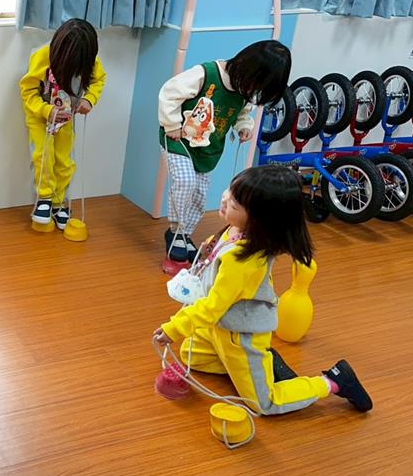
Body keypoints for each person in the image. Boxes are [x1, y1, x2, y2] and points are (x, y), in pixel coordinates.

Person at [153, 166, 372, 415]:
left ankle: (333, 382)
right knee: (193, 356)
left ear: (259, 221)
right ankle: (258, 365)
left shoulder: (243, 261)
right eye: (229, 192)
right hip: (218, 327)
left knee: (265, 403)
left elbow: (213, 307)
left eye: (234, 204)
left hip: (239, 335)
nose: (224, 200)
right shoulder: (235, 230)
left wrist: (174, 327)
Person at [159, 40, 291, 264]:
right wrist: (171, 124)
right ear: (248, 69)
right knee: (185, 182)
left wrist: (244, 127)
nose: (253, 91)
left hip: (208, 148)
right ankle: (175, 231)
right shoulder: (206, 74)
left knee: (200, 194)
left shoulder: (244, 90)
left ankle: (184, 234)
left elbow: (242, 113)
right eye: (256, 85)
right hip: (178, 141)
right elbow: (169, 93)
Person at [19, 18, 105, 228]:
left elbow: (98, 80)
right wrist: (46, 110)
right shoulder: (42, 56)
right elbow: (28, 90)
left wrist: (89, 99)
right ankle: (45, 198)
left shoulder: (89, 60)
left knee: (64, 159)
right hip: (40, 117)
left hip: (66, 117)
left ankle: (59, 202)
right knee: (43, 155)